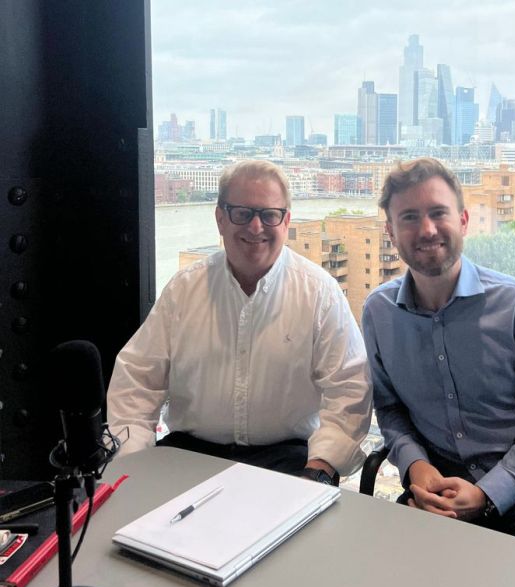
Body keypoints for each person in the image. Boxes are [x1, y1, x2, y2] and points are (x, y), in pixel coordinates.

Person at [362, 157, 515, 555]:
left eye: (438, 213)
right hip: (436, 488)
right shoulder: (379, 313)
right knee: (386, 584)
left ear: (463, 221)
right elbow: (391, 409)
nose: (427, 229)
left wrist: (488, 492)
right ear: (391, 232)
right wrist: (415, 465)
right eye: (410, 217)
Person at [108, 160, 371, 484]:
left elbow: (349, 388)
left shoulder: (319, 293)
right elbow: (137, 378)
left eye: (269, 214)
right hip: (188, 455)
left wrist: (320, 467)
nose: (256, 227)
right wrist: (134, 459)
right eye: (242, 213)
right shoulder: (184, 290)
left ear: (286, 221)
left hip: (289, 461)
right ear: (220, 219)